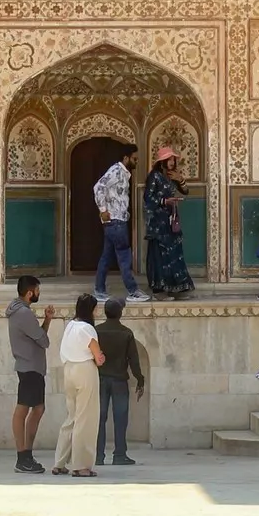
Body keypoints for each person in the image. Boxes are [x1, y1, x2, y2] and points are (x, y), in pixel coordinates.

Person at [51, 294, 105, 477]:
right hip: (85, 371)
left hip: (69, 371)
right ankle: (81, 465)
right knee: (86, 418)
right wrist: (101, 358)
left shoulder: (71, 326)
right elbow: (97, 356)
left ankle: (59, 462)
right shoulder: (87, 329)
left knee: (72, 417)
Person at [7, 275, 57, 474]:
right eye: (37, 290)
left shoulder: (20, 311)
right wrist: (44, 326)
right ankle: (23, 457)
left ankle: (27, 454)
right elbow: (44, 341)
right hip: (30, 368)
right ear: (30, 293)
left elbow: (39, 337)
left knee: (38, 409)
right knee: (23, 410)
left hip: (32, 367)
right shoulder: (24, 314)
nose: (38, 294)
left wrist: (47, 320)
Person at [93, 144, 150, 304]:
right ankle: (132, 291)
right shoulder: (116, 171)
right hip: (116, 221)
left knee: (106, 256)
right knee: (124, 256)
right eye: (134, 159)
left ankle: (99, 290)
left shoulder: (123, 174)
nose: (136, 162)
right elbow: (98, 187)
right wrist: (103, 209)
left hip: (116, 221)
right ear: (126, 158)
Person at [94, 297, 146, 467]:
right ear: (120, 313)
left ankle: (98, 455)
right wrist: (140, 379)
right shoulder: (126, 333)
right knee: (120, 417)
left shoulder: (97, 331)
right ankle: (120, 454)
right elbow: (133, 359)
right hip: (119, 380)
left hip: (100, 379)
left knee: (100, 418)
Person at [142, 147, 196, 299]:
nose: (172, 162)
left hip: (171, 220)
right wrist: (165, 201)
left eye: (173, 160)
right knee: (160, 255)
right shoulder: (154, 176)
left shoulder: (172, 176)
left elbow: (185, 191)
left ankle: (176, 289)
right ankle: (159, 291)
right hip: (158, 223)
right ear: (162, 162)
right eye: (169, 160)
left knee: (174, 253)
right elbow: (148, 198)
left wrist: (181, 180)